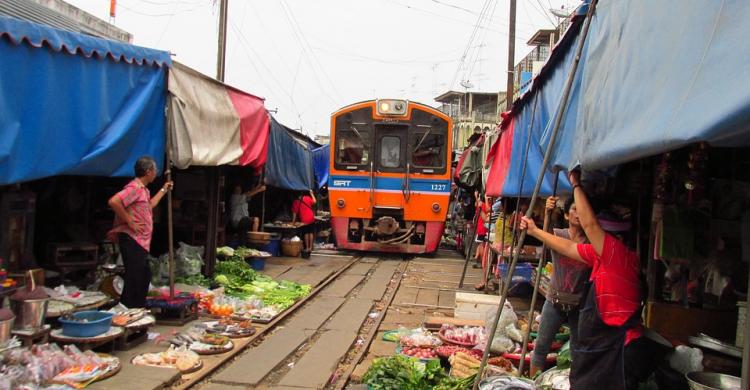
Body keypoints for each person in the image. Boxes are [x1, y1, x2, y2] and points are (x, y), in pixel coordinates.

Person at [520, 170, 651, 389]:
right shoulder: (601, 255)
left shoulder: (615, 253)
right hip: (605, 343)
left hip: (619, 348)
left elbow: (590, 226)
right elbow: (569, 247)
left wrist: (575, 184)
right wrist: (534, 230)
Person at [529, 196, 590, 377]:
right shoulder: (559, 235)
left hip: (580, 304)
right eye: (574, 210)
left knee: (578, 351)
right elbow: (544, 234)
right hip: (555, 300)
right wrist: (547, 211)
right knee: (541, 347)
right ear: (566, 215)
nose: (578, 214)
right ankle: (532, 383)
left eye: (582, 210)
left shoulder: (591, 240)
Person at [107, 156, 172, 308]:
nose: (156, 173)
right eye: (155, 170)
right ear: (148, 172)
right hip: (132, 239)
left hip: (140, 241)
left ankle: (137, 307)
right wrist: (129, 221)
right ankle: (127, 309)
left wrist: (164, 189)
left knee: (143, 275)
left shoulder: (144, 190)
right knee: (134, 277)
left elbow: (150, 206)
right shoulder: (134, 188)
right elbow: (114, 201)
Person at [473, 192, 490, 290]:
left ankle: (480, 258)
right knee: (481, 245)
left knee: (481, 245)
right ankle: (479, 258)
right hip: (482, 229)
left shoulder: (483, 205)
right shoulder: (482, 205)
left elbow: (485, 215)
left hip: (482, 229)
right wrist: (477, 198)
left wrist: (478, 198)